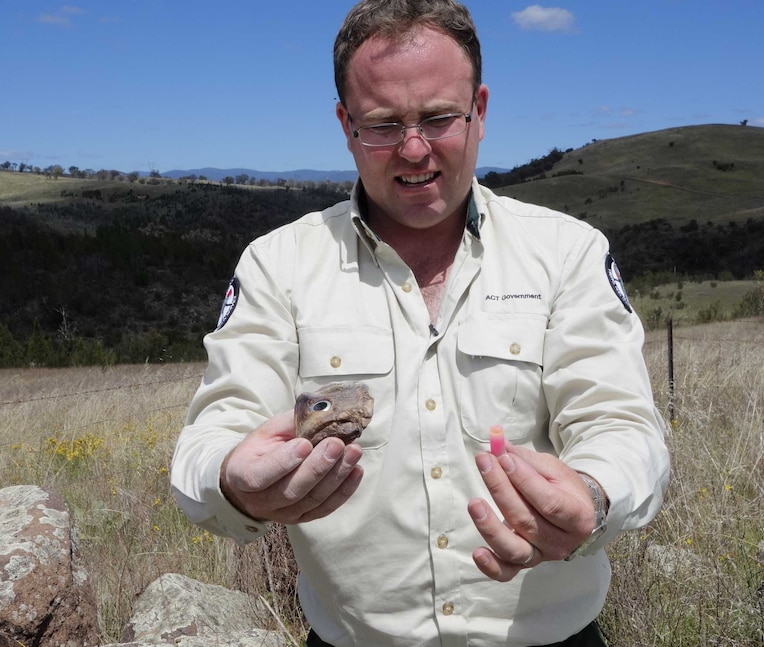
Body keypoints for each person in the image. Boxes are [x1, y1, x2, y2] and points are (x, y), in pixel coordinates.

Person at [170, 1, 670, 645]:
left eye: (439, 118)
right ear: (346, 125)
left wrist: (594, 496)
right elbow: (210, 440)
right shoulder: (277, 264)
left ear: (480, 112)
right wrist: (233, 483)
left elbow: (620, 424)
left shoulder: (567, 252)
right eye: (382, 125)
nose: (413, 150)